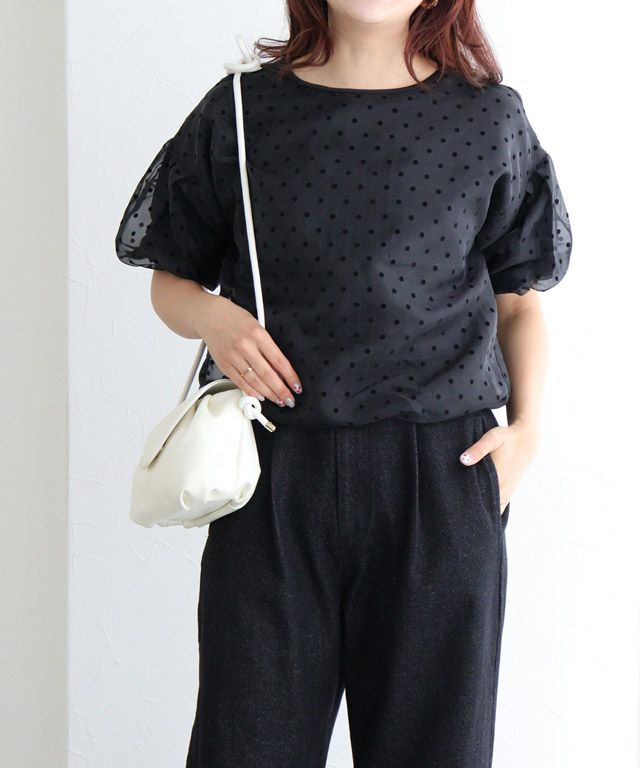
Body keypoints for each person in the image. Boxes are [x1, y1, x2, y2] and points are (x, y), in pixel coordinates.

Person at [114, 1, 573, 766]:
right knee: (245, 749)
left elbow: (518, 299)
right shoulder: (241, 109)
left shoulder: (488, 118)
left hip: (442, 478)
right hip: (273, 473)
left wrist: (526, 434)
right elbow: (171, 277)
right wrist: (215, 319)